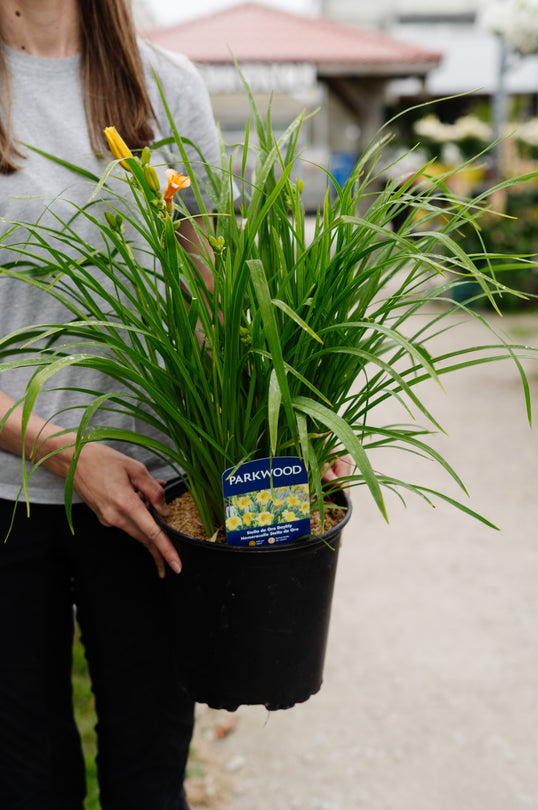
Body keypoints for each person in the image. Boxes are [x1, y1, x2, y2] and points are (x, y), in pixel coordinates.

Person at [0, 1, 220, 808]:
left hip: (153, 493)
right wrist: (65, 452)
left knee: (150, 778)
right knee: (22, 781)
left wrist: (287, 424)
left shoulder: (168, 85)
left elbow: (215, 295)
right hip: (6, 499)